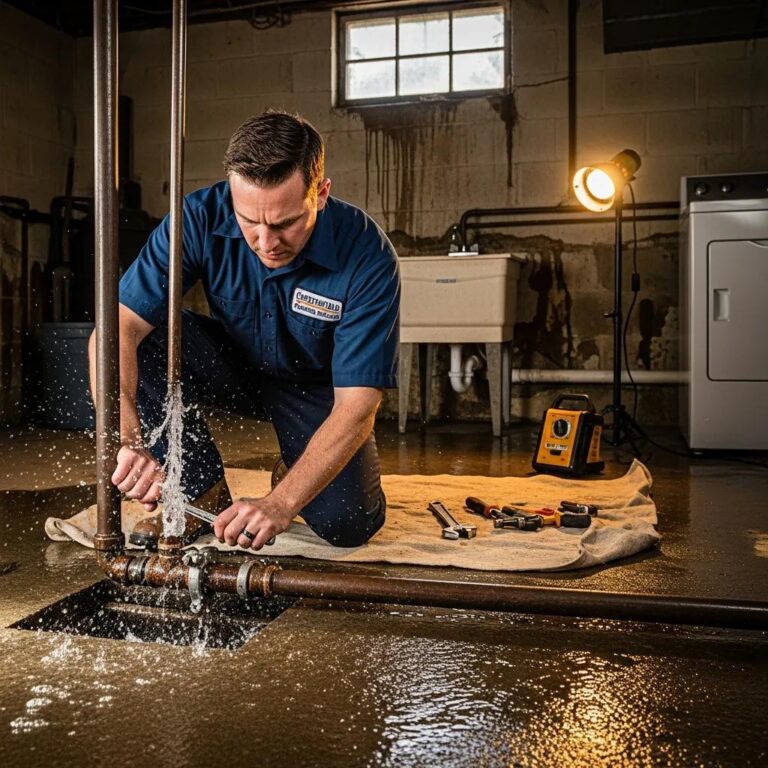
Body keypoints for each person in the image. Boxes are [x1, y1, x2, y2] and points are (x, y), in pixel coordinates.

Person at [89, 110, 400, 552]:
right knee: (144, 337)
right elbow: (115, 328)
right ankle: (202, 488)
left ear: (322, 193)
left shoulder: (367, 254)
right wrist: (127, 439)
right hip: (233, 363)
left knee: (347, 525)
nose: (265, 241)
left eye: (285, 223)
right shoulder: (198, 217)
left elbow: (358, 406)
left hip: (316, 391)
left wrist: (281, 502)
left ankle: (292, 464)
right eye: (248, 220)